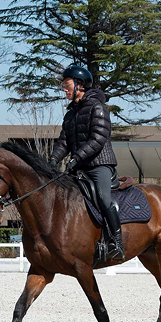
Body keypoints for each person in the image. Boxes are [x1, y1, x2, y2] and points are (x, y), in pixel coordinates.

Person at [49, 64, 123, 261]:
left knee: (103, 197)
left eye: (67, 85)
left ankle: (116, 242)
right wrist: (54, 159)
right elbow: (64, 141)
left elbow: (98, 138)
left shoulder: (97, 108)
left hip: (100, 165)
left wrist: (76, 158)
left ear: (79, 85)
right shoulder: (70, 114)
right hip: (79, 166)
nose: (64, 89)